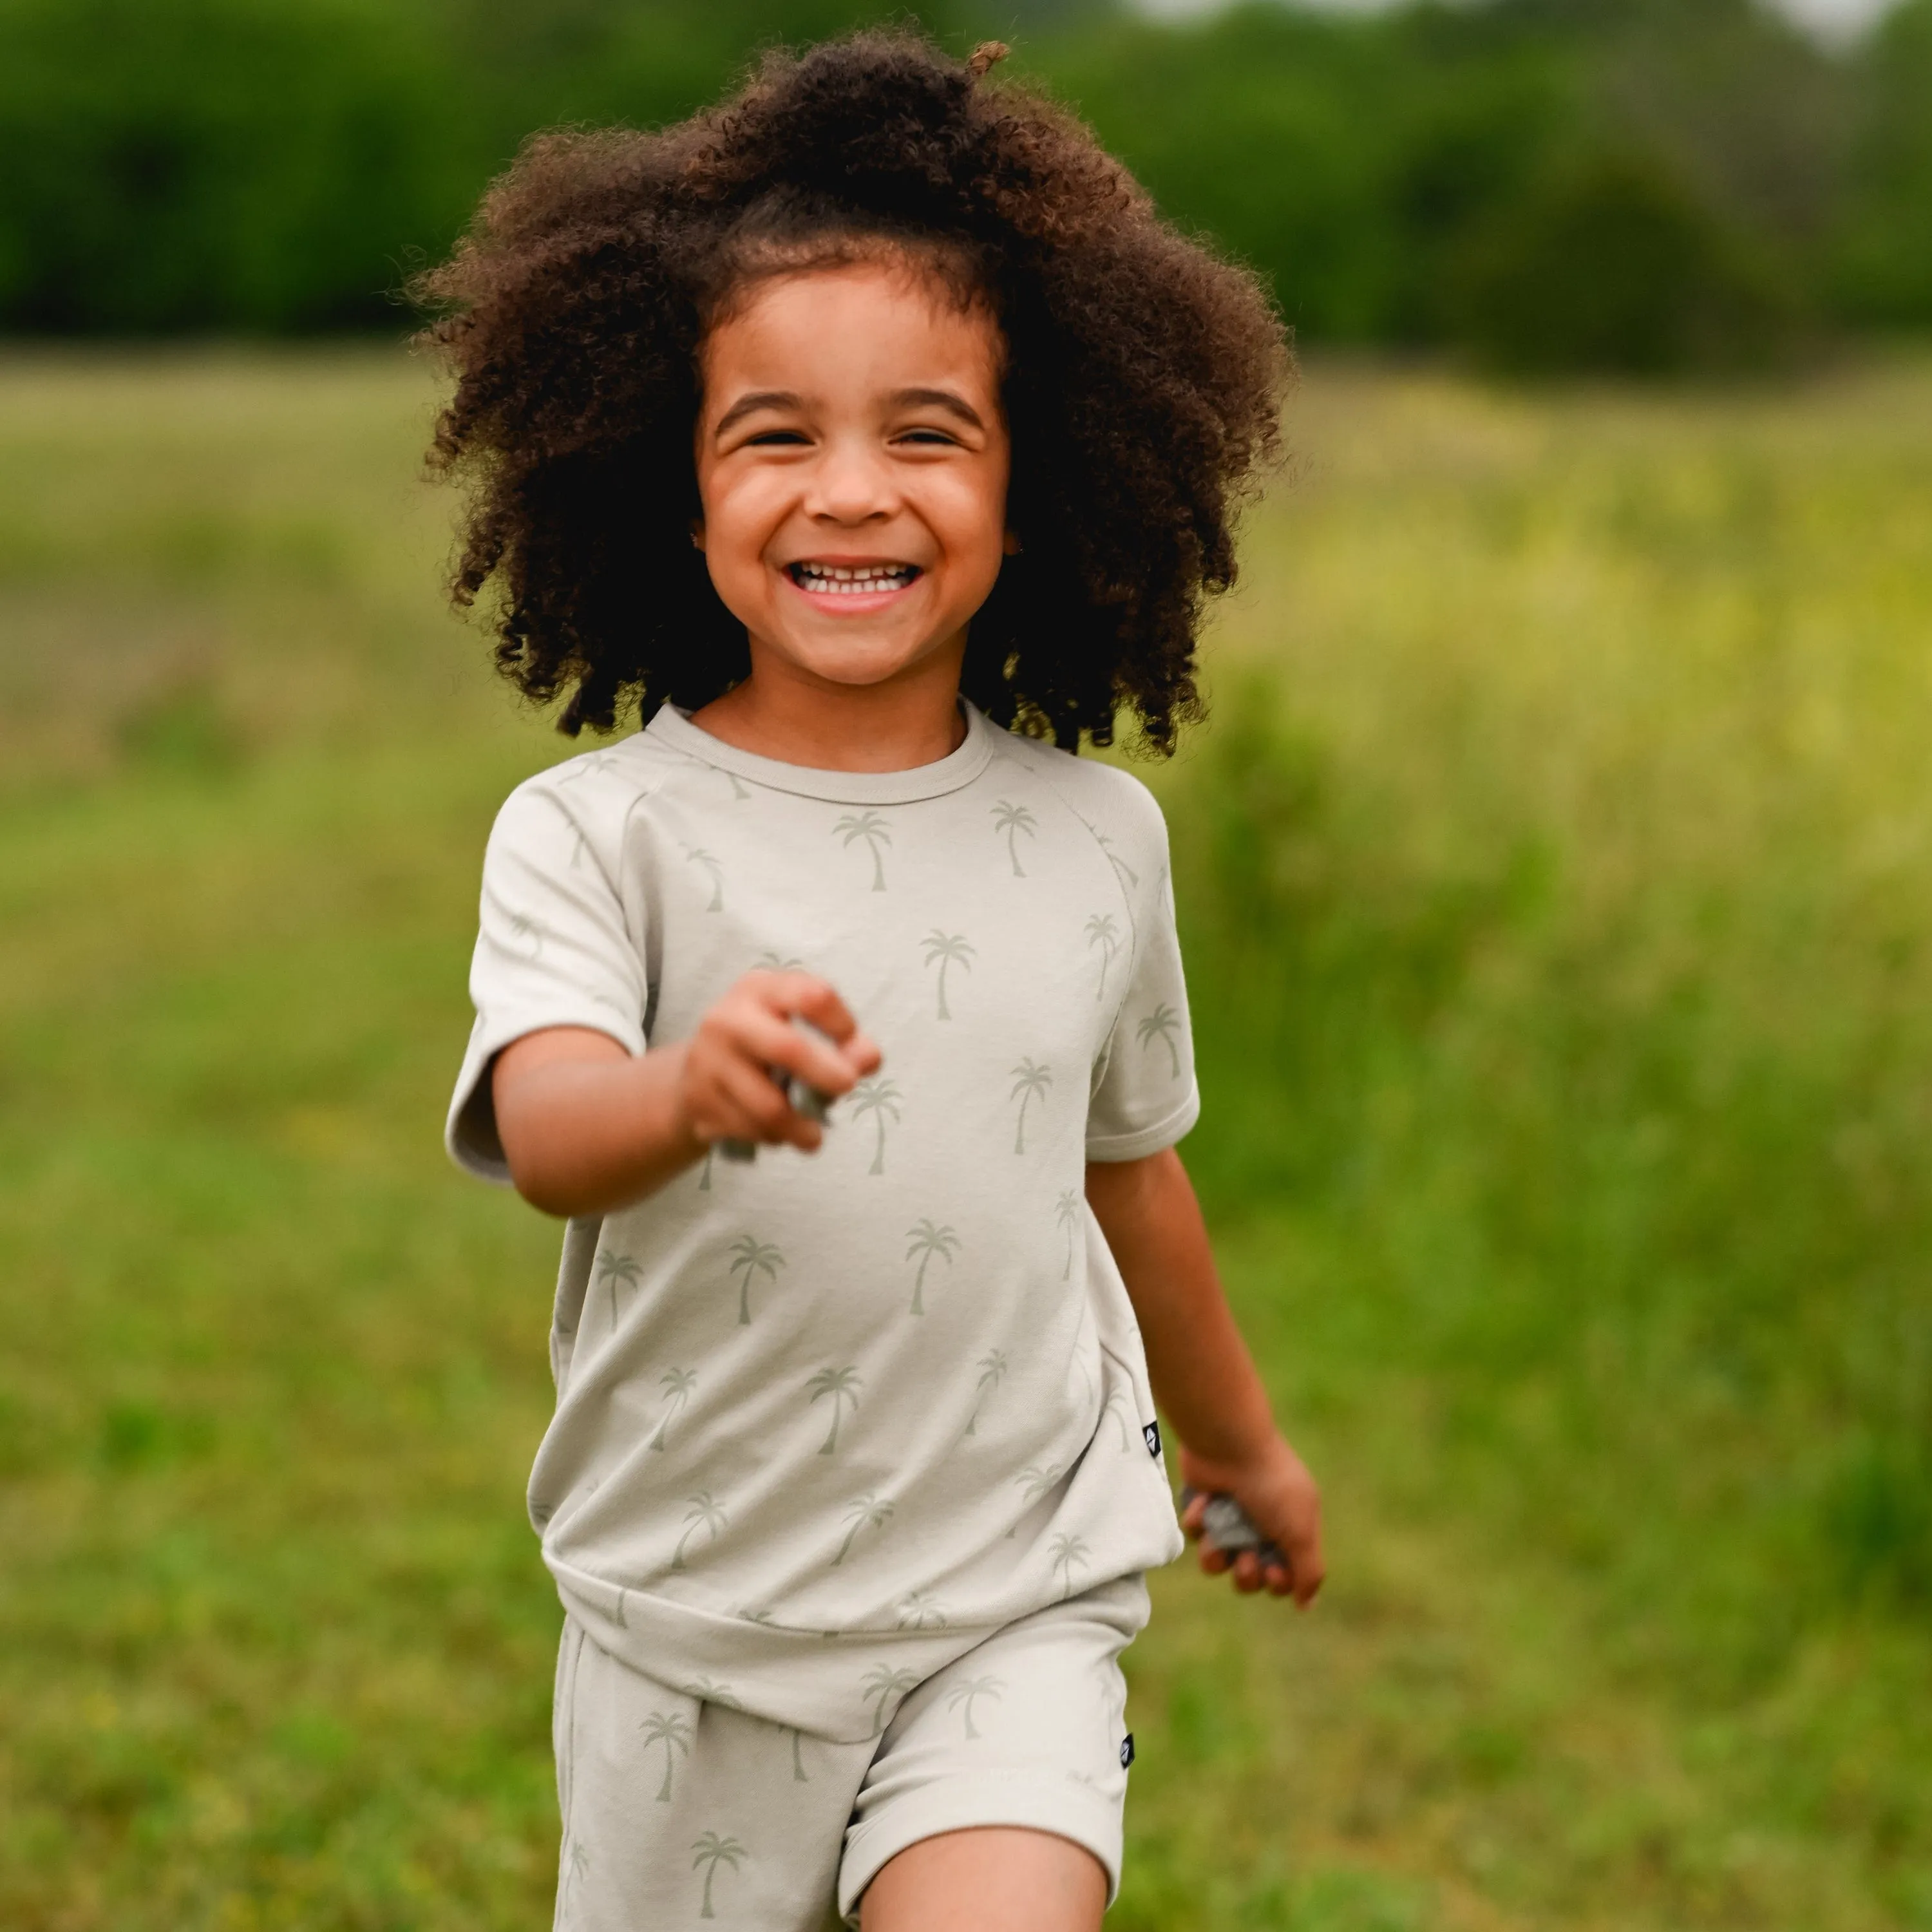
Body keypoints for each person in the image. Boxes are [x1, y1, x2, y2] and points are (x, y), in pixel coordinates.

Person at [421, 32, 1324, 1932]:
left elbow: (1127, 1171)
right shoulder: (599, 832)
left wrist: (1237, 1444)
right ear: (675, 492)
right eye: (776, 436)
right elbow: (553, 1123)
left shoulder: (1099, 843)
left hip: (1014, 1591)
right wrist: (685, 1090)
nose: (852, 492)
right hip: (699, 1623)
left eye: (926, 433)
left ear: (1031, 489)